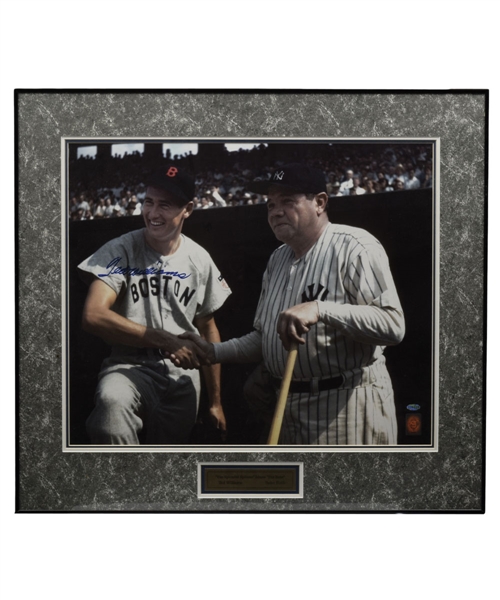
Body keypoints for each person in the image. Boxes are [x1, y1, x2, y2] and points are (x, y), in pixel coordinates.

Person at [180, 163, 405, 445]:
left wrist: (321, 309)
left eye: (288, 201)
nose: (275, 211)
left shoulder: (355, 246)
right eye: (270, 204)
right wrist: (213, 352)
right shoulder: (277, 259)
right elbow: (264, 339)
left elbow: (393, 326)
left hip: (348, 404)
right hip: (289, 408)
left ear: (320, 202)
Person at [78, 165, 232, 445]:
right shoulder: (121, 249)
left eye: (165, 205)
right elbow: (93, 315)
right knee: (111, 408)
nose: (153, 213)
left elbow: (208, 329)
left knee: (168, 463)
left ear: (187, 209)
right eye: (148, 202)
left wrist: (215, 402)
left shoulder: (199, 258)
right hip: (128, 364)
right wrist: (164, 340)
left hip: (183, 375)